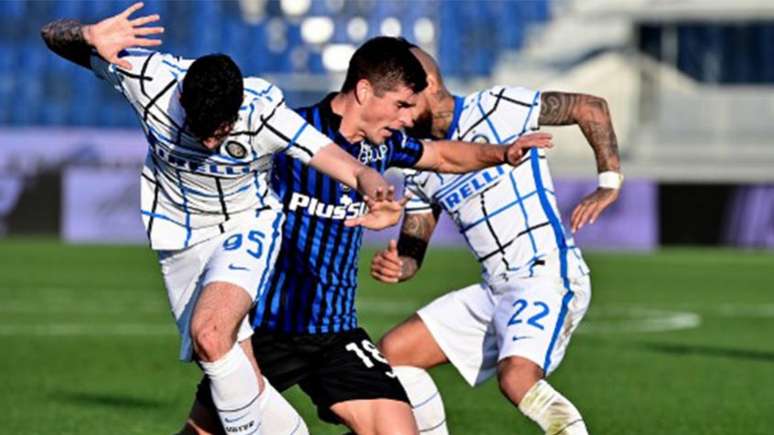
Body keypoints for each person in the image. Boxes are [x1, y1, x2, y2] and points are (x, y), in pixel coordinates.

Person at [41, 4, 405, 434]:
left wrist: (370, 183)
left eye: (222, 128)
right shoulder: (149, 81)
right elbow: (51, 34)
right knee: (223, 356)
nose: (212, 140)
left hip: (246, 225)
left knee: (212, 333)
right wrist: (87, 34)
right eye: (201, 128)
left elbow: (330, 156)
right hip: (180, 239)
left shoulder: (263, 111)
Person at [181, 37, 553, 435]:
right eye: (401, 105)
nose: (409, 118)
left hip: (336, 334)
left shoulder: (383, 146)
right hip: (268, 333)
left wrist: (503, 153)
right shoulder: (290, 134)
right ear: (363, 90)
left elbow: (442, 155)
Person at [369, 46, 623, 435]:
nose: (397, 115)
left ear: (430, 85)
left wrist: (608, 183)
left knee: (517, 378)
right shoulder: (419, 162)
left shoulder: (497, 106)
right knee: (394, 355)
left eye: (405, 101)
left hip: (546, 274)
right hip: (494, 288)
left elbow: (591, 107)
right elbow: (412, 253)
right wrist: (397, 266)